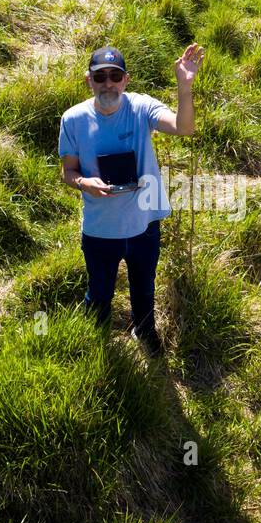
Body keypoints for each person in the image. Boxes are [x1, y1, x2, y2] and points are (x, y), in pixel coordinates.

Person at [58, 43, 205, 358]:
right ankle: (95, 344)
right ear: (89, 81)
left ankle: (144, 330)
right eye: (100, 77)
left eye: (115, 76)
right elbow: (67, 171)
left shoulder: (141, 107)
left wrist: (184, 87)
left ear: (126, 80)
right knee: (99, 291)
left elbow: (184, 128)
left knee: (144, 287)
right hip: (100, 229)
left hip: (144, 224)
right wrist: (84, 182)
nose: (108, 83)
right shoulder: (73, 119)